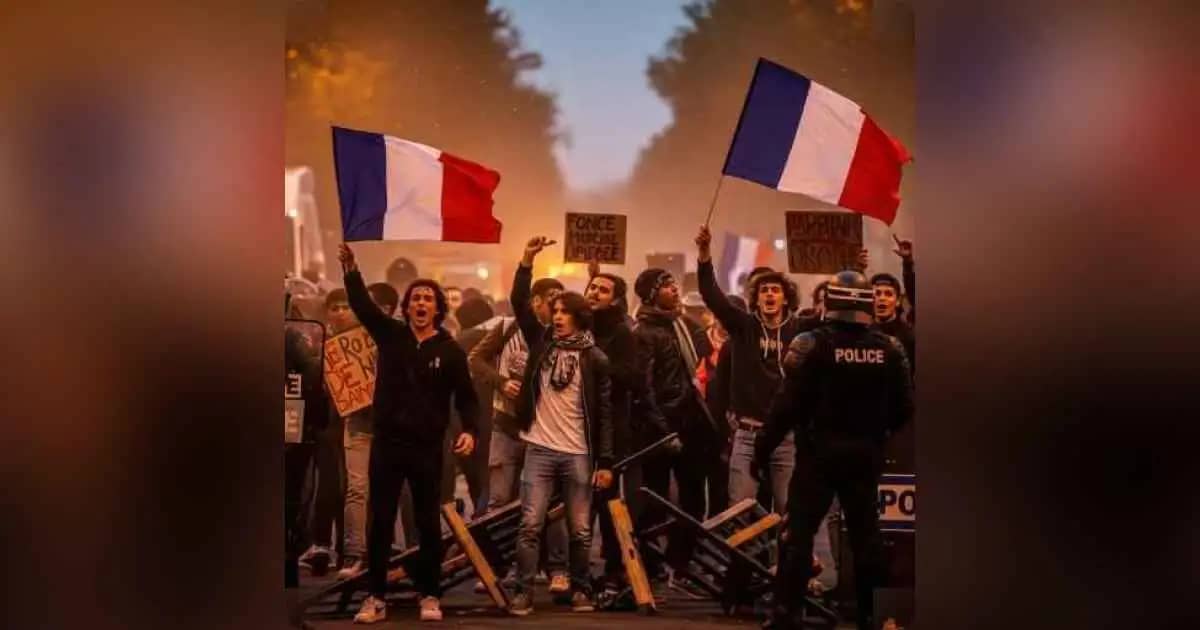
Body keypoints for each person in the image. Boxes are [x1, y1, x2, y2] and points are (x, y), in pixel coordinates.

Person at [755, 269, 914, 630]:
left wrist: (762, 450)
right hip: (865, 455)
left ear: (830, 301)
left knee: (797, 536)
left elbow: (784, 406)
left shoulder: (810, 344)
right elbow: (905, 407)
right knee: (867, 539)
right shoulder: (889, 349)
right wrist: (877, 434)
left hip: (818, 457)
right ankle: (874, 617)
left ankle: (785, 617)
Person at [338, 244, 479, 625]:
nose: (420, 304)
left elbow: (467, 398)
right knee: (381, 520)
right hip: (387, 445)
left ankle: (430, 595)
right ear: (406, 307)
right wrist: (350, 269)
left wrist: (469, 432)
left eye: (427, 299)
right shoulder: (390, 335)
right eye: (415, 298)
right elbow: (364, 307)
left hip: (427, 448)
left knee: (427, 522)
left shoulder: (450, 352)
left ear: (437, 308)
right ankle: (376, 597)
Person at [507, 236, 615, 617]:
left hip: (579, 453)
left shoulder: (594, 357)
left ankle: (581, 590)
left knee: (581, 530)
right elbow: (518, 302)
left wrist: (605, 462)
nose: (556, 316)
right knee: (530, 525)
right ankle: (522, 593)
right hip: (538, 447)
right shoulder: (541, 342)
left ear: (579, 317)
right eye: (554, 310)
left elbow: (604, 413)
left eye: (564, 311)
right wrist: (527, 260)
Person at [467, 276, 570, 594]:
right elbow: (475, 359)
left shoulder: (563, 332)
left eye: (559, 298)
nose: (554, 305)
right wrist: (501, 382)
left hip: (545, 429)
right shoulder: (507, 327)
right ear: (534, 301)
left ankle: (555, 569)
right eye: (548, 298)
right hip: (506, 425)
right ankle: (498, 568)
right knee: (500, 500)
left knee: (548, 503)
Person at [694, 225, 802, 514]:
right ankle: (744, 562)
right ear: (756, 298)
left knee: (788, 512)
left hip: (786, 438)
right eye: (764, 290)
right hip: (747, 435)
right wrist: (704, 254)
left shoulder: (800, 330)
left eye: (775, 290)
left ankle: (786, 562)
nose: (769, 295)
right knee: (741, 511)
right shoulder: (743, 327)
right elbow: (711, 294)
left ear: (785, 298)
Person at [631, 266, 715, 590]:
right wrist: (664, 431)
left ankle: (680, 566)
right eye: (665, 286)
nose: (674, 289)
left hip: (690, 425)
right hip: (660, 430)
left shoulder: (680, 325)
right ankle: (648, 567)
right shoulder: (644, 333)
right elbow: (644, 388)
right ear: (652, 294)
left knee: (694, 500)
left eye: (673, 283)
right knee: (654, 500)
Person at [582, 270, 641, 596]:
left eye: (603, 290)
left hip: (610, 431)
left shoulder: (622, 333)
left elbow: (631, 377)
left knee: (607, 504)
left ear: (616, 299)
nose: (594, 293)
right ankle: (577, 571)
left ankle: (614, 570)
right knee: (579, 503)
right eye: (592, 287)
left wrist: (595, 363)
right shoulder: (578, 325)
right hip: (576, 428)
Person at [337, 282, 400, 580]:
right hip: (359, 425)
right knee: (357, 490)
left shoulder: (402, 338)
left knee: (391, 491)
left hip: (393, 428)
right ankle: (354, 554)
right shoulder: (345, 340)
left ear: (386, 310)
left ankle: (393, 550)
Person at [299, 289, 355, 576]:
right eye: (335, 307)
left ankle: (350, 549)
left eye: (346, 306)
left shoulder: (366, 343)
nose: (341, 312)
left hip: (357, 425)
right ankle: (320, 544)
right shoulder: (316, 343)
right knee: (329, 486)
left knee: (353, 489)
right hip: (326, 424)